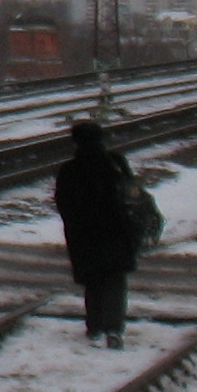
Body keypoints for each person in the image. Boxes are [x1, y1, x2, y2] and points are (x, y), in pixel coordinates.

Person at [53, 118, 141, 345]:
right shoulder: (116, 163)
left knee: (93, 280)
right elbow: (133, 196)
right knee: (115, 279)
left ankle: (94, 326)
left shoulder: (69, 170)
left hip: (84, 235)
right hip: (117, 231)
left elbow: (63, 204)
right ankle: (113, 329)